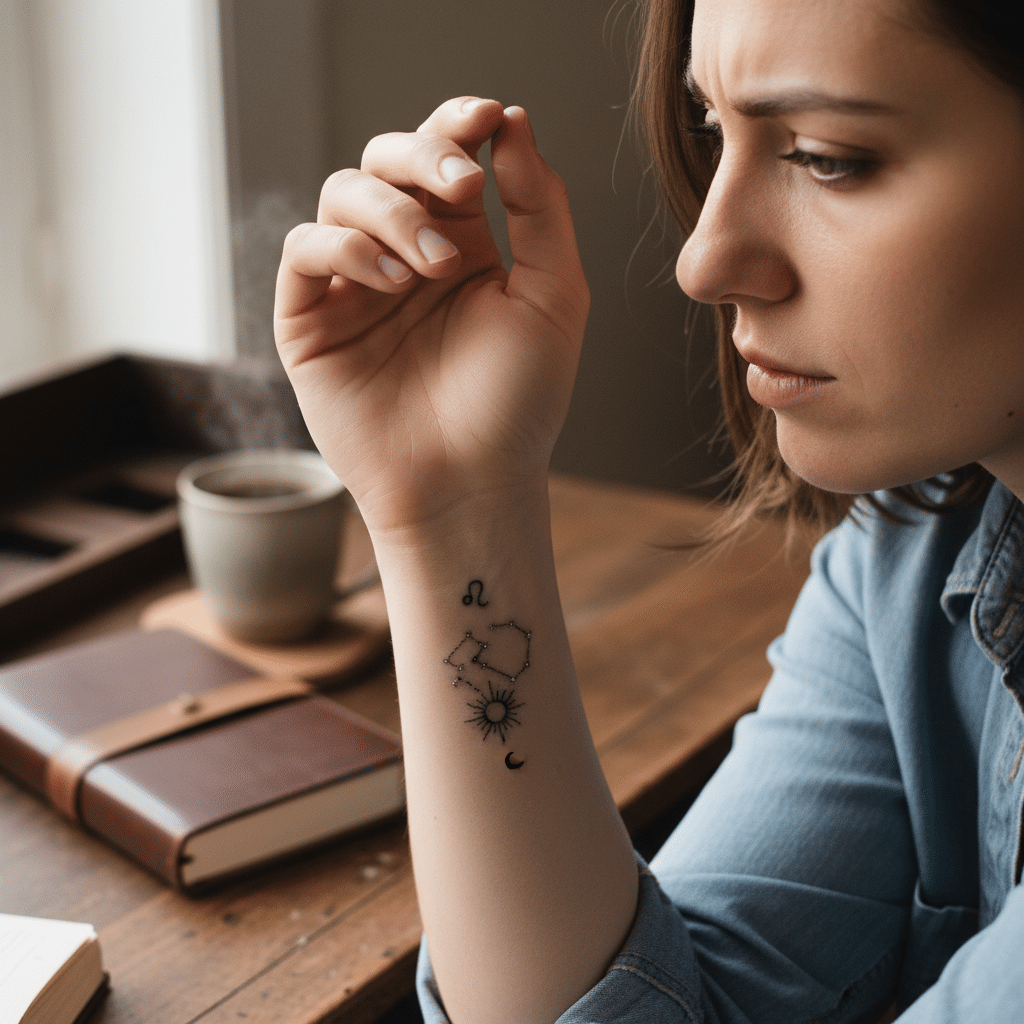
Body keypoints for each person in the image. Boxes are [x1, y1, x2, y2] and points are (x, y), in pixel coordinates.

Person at [273, 0, 1024, 1018]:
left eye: (826, 156)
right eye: (714, 131)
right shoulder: (910, 555)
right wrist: (451, 512)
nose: (701, 261)